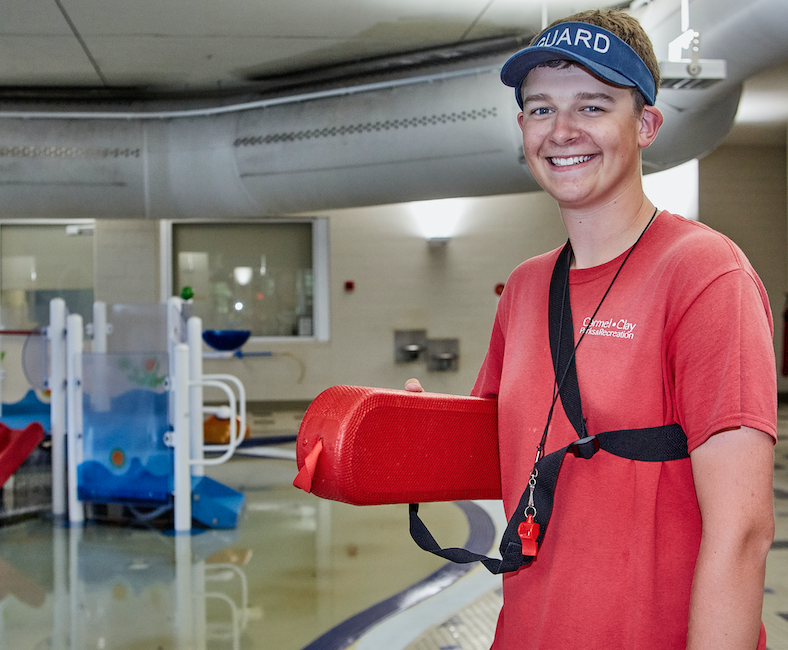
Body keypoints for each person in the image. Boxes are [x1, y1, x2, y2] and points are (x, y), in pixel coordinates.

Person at [407, 8, 776, 650]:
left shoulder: (704, 275)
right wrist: (409, 438)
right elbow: (505, 451)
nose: (563, 131)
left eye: (594, 105)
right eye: (541, 109)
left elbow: (742, 531)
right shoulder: (526, 287)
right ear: (522, 127)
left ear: (647, 125)